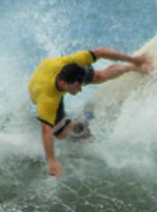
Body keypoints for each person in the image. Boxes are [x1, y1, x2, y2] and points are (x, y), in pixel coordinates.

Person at [27, 47, 150, 178]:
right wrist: (51, 160)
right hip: (43, 88)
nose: (80, 90)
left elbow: (100, 52)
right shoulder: (48, 99)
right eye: (77, 86)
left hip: (52, 70)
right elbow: (45, 130)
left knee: (100, 76)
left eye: (81, 84)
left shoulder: (69, 64)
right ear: (64, 84)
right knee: (61, 134)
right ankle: (80, 124)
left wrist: (134, 59)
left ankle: (130, 67)